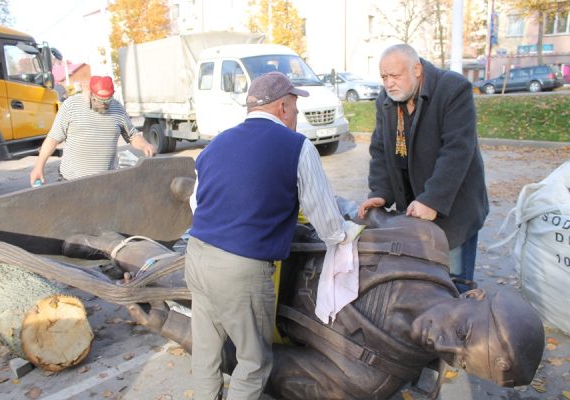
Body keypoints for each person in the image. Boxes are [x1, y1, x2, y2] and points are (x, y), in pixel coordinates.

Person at [60, 208, 544, 400]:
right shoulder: (423, 241)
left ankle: (113, 247)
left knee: (173, 276)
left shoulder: (368, 379)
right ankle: (113, 240)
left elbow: (263, 367)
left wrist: (174, 328)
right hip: (273, 237)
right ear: (476, 294)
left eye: (458, 358)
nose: (443, 343)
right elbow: (353, 215)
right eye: (462, 333)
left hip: (250, 306)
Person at [186, 71, 362, 399]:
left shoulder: (218, 142)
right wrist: (345, 234)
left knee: (207, 353)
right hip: (240, 270)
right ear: (282, 107)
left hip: (197, 255)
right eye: (295, 108)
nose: (296, 116)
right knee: (253, 362)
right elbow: (326, 219)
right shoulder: (296, 146)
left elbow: (197, 202)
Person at [357, 44, 489, 293]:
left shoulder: (452, 88)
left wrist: (432, 201)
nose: (389, 83)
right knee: (423, 287)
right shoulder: (386, 100)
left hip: (454, 210)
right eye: (384, 77)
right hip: (415, 213)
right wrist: (380, 192)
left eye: (395, 76)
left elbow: (457, 151)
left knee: (454, 286)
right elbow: (381, 150)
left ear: (417, 69)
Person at [30, 76, 156, 185]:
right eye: (100, 101)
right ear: (91, 93)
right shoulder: (71, 106)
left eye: (108, 101)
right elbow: (52, 139)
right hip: (72, 182)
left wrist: (145, 144)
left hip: (106, 181)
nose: (104, 105)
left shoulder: (117, 109)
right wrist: (39, 167)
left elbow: (132, 136)